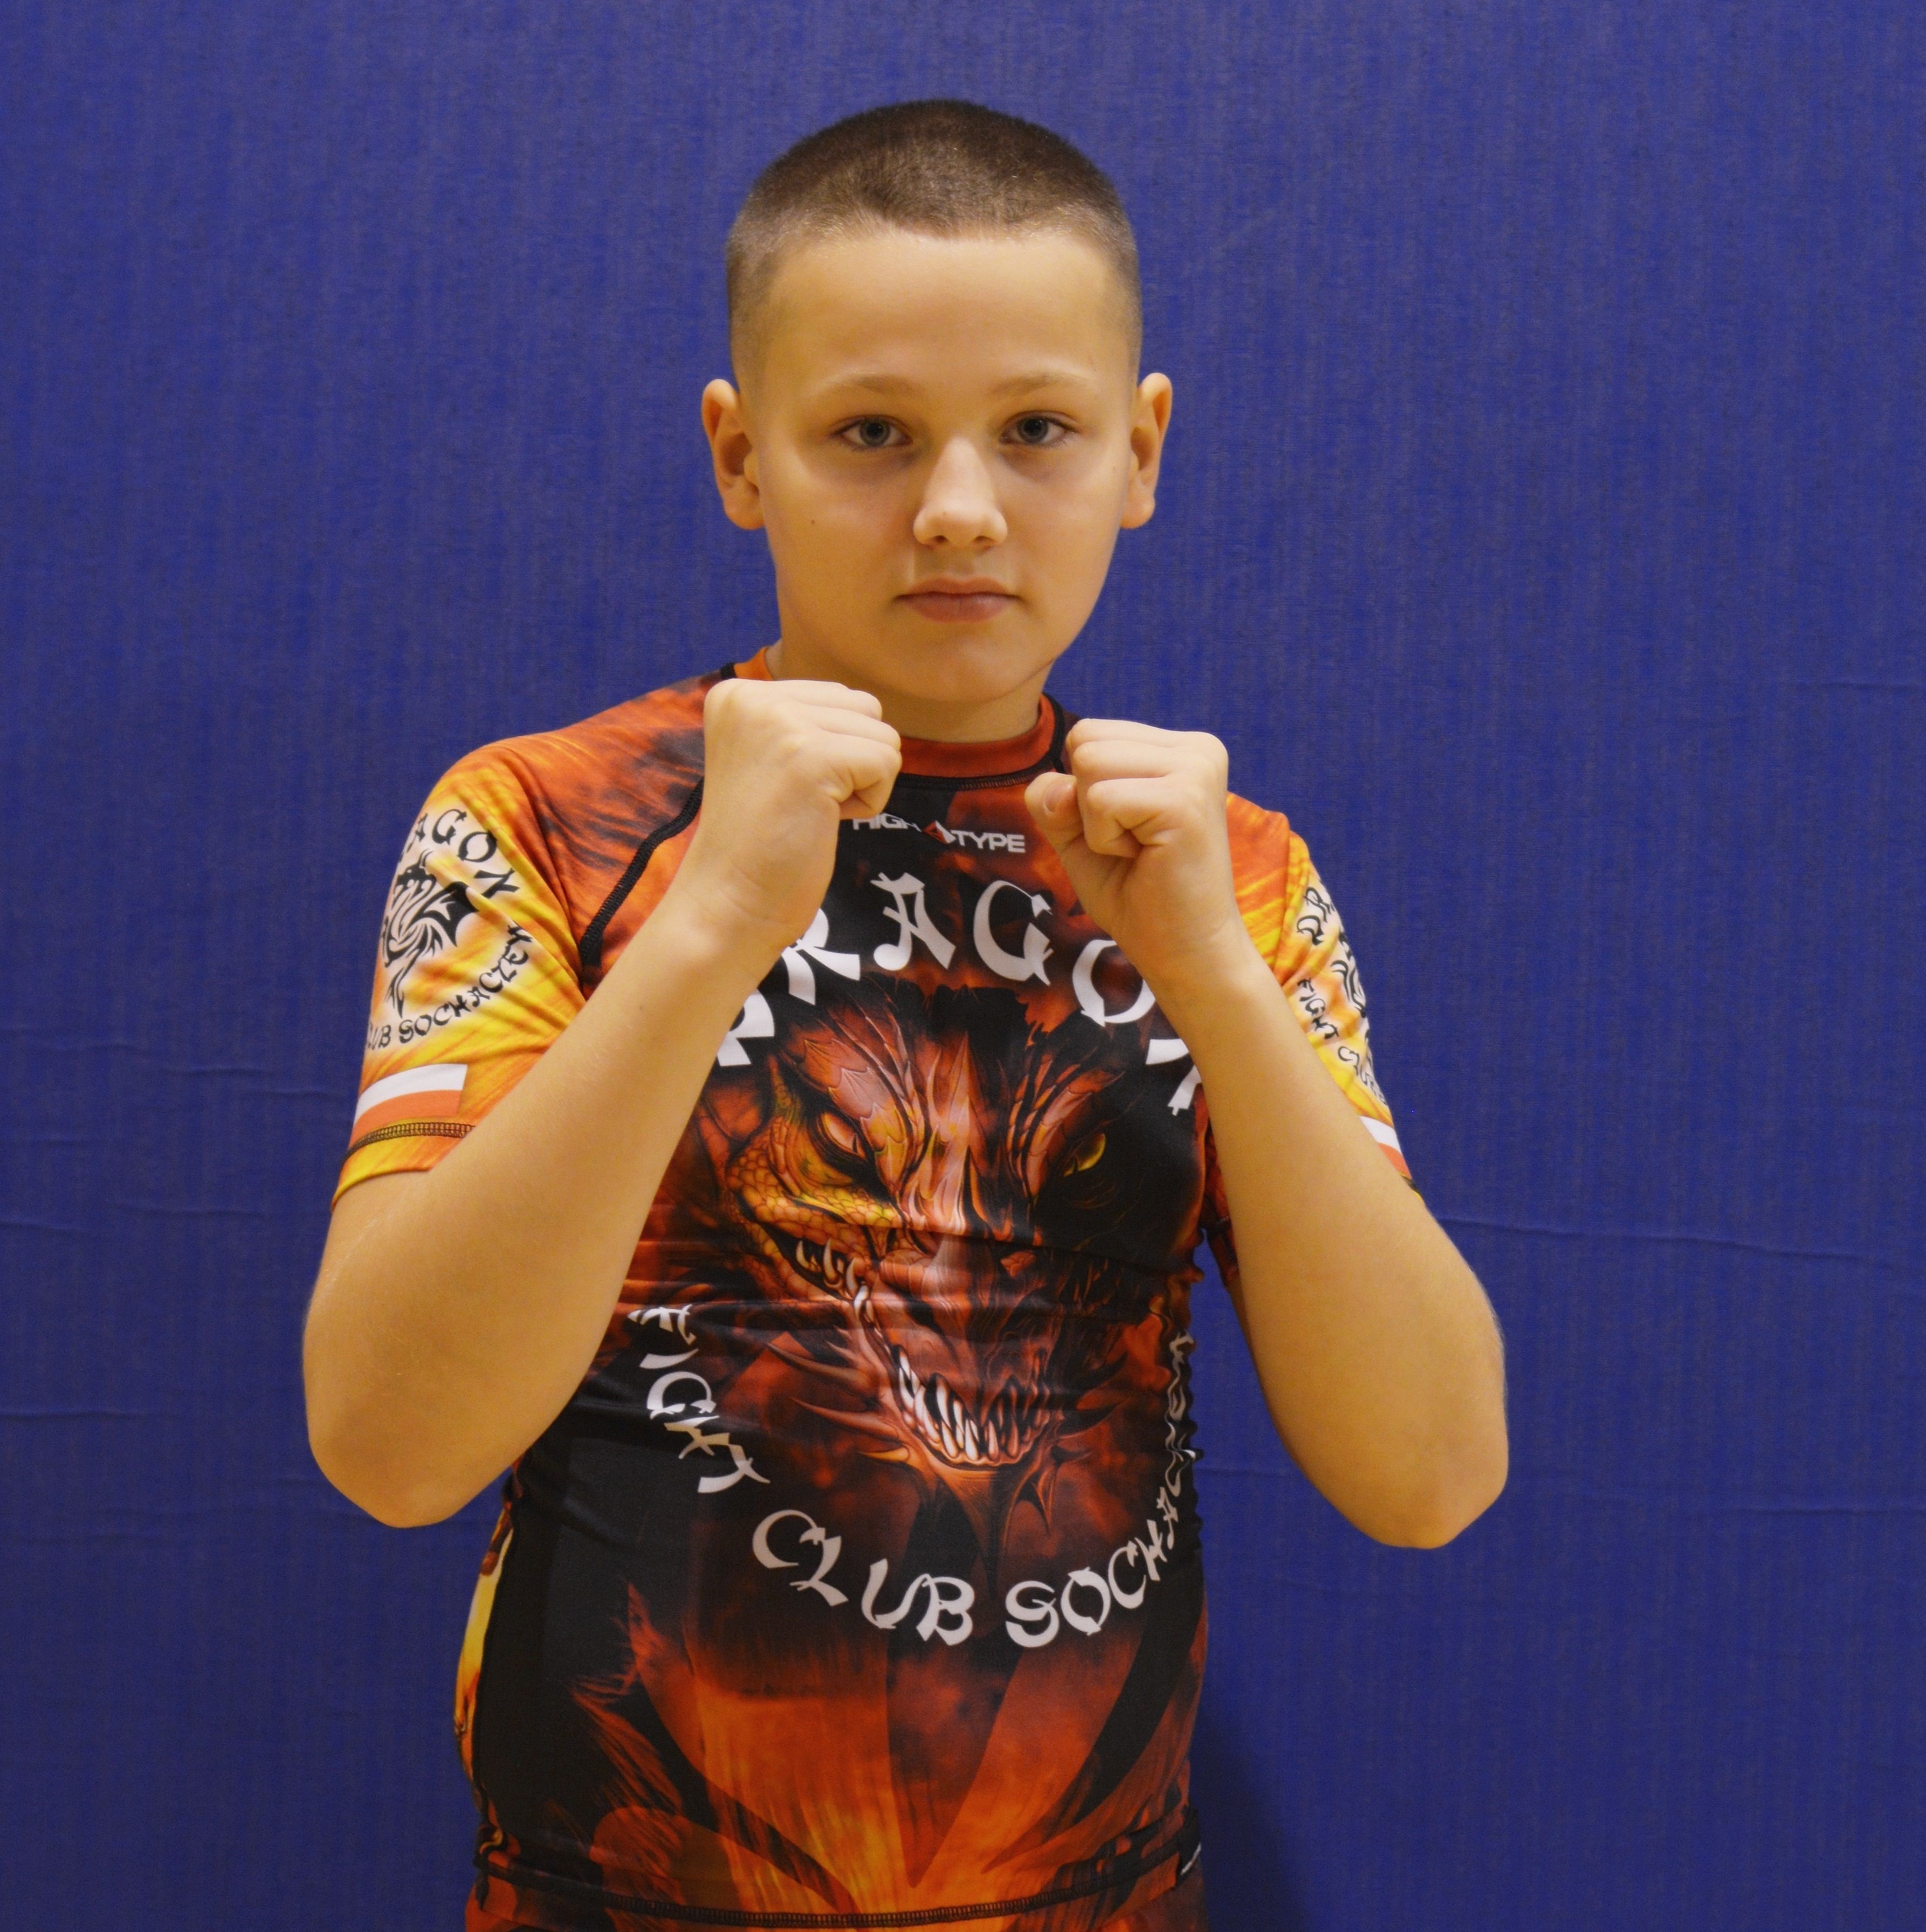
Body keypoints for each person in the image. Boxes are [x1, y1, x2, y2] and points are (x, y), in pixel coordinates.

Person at [302, 99, 1508, 1932]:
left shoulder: (1231, 879)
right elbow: (387, 1445)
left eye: (1036, 431)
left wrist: (1211, 981)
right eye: (870, 432)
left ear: (1140, 449)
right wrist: (711, 923)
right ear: (740, 455)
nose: (956, 508)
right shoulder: (546, 822)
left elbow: (1431, 1475)